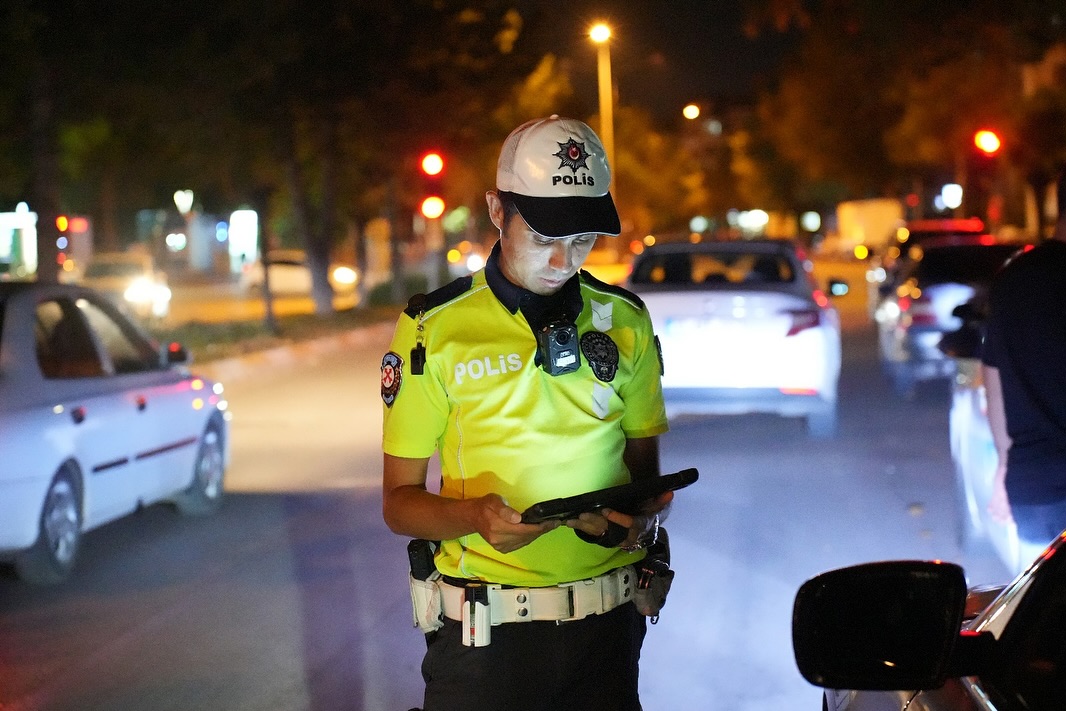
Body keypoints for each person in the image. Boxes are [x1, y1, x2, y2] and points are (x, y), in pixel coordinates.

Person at [380, 115, 672, 711]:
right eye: (543, 237)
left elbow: (645, 484)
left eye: (583, 240)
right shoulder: (433, 329)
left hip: (607, 634)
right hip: (485, 646)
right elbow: (399, 504)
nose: (564, 259)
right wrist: (476, 518)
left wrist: (631, 517)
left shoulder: (626, 321)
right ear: (496, 210)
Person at [982, 174, 1066, 570]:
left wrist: (1005, 462)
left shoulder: (1014, 280)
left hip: (1037, 486)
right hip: (1036, 484)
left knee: (1042, 620)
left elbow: (994, 380)